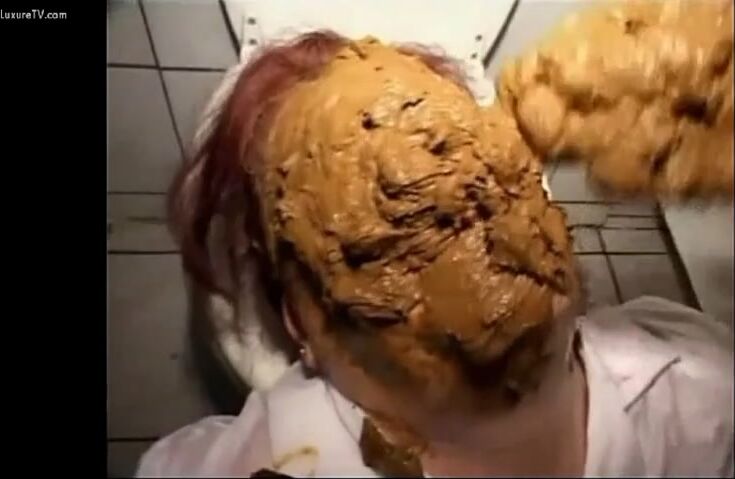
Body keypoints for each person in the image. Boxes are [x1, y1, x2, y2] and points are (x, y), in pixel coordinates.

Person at [134, 28, 733, 477]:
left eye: (462, 144)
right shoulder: (241, 462)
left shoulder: (703, 391)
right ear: (301, 323)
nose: (453, 199)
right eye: (366, 225)